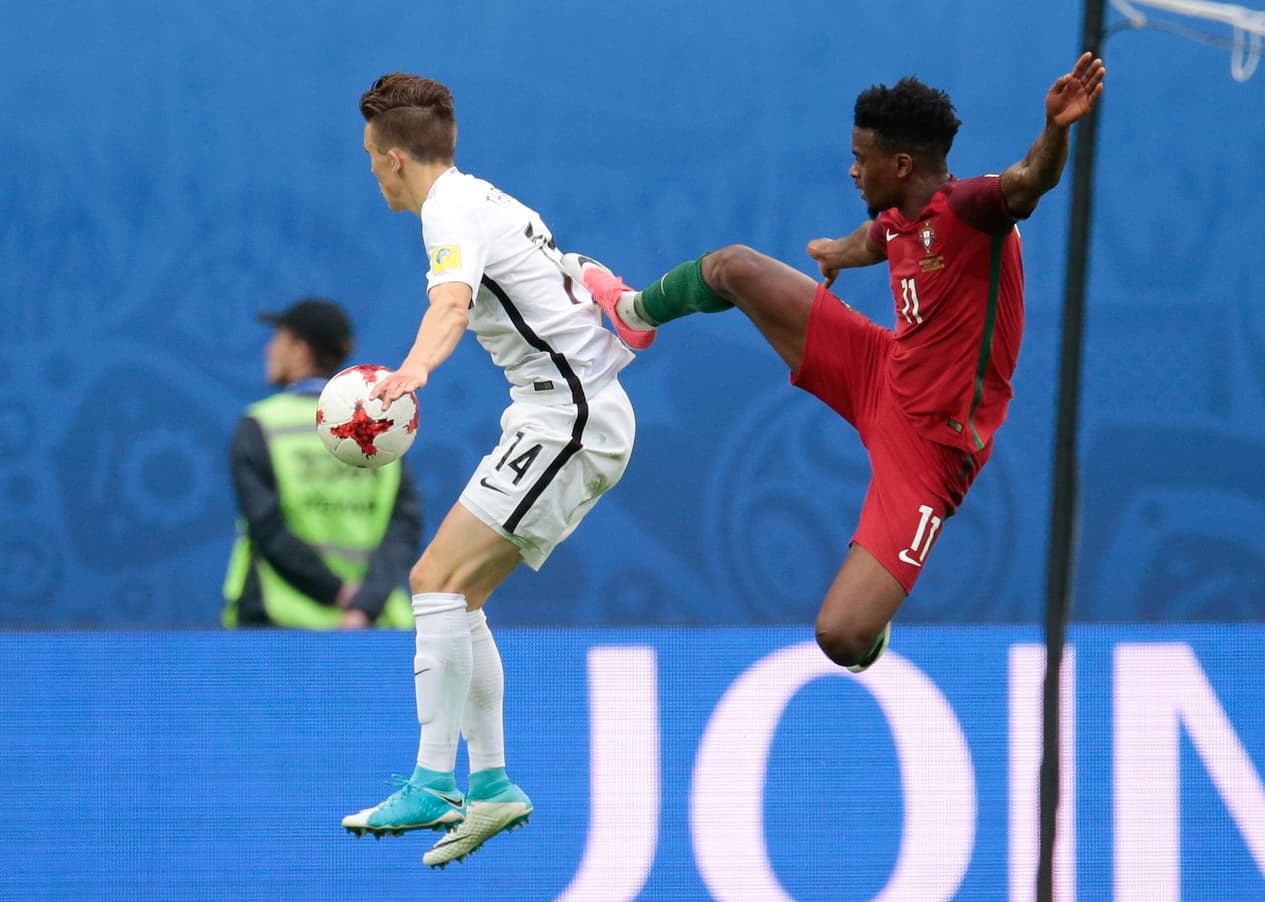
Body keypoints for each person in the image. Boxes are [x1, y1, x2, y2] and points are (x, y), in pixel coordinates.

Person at [562, 53, 1105, 671]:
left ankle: (874, 634)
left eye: (860, 157)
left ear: (901, 164)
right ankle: (633, 314)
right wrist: (833, 253)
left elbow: (1031, 177)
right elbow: (874, 240)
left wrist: (1057, 128)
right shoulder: (899, 218)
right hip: (880, 368)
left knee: (841, 636)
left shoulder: (974, 210)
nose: (851, 170)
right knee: (733, 267)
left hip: (932, 449)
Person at [340, 74, 636, 869]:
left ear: (395, 156)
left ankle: (435, 782)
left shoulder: (450, 210)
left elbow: (449, 304)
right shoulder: (489, 198)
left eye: (371, 156)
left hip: (567, 419)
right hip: (560, 414)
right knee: (456, 593)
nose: (371, 171)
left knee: (434, 579)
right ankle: (493, 784)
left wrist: (411, 373)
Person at [223, 297, 420, 630]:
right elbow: (404, 528)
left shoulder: (261, 425)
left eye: (278, 340)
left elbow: (267, 527)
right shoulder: (381, 429)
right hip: (369, 625)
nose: (269, 350)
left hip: (279, 622)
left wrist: (337, 593)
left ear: (300, 351)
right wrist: (363, 604)